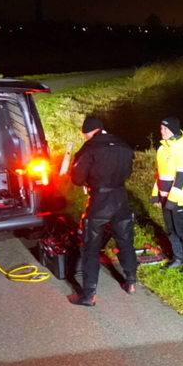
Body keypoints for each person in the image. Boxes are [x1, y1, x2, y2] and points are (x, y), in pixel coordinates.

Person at [68, 115, 138, 306]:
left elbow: (77, 178)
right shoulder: (123, 146)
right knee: (125, 242)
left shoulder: (90, 148)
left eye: (84, 135)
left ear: (88, 132)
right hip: (121, 199)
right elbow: (128, 173)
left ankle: (89, 295)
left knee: (90, 246)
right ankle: (131, 282)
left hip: (99, 201)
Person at [151, 116, 183, 271]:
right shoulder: (162, 148)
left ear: (173, 130)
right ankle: (177, 259)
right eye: (161, 128)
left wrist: (172, 199)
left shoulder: (182, 151)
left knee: (182, 231)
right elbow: (159, 174)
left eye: (165, 129)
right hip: (165, 199)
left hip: (178, 200)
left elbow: (181, 177)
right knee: (171, 231)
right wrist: (156, 194)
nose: (161, 131)